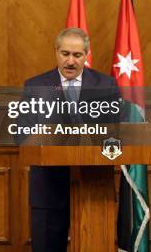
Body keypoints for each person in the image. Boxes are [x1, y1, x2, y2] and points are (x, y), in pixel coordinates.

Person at [24, 27, 119, 251]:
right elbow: (21, 134)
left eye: (77, 55)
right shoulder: (36, 86)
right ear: (56, 52)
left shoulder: (106, 86)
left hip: (94, 186)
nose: (70, 61)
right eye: (65, 53)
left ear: (86, 55)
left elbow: (117, 132)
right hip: (48, 187)